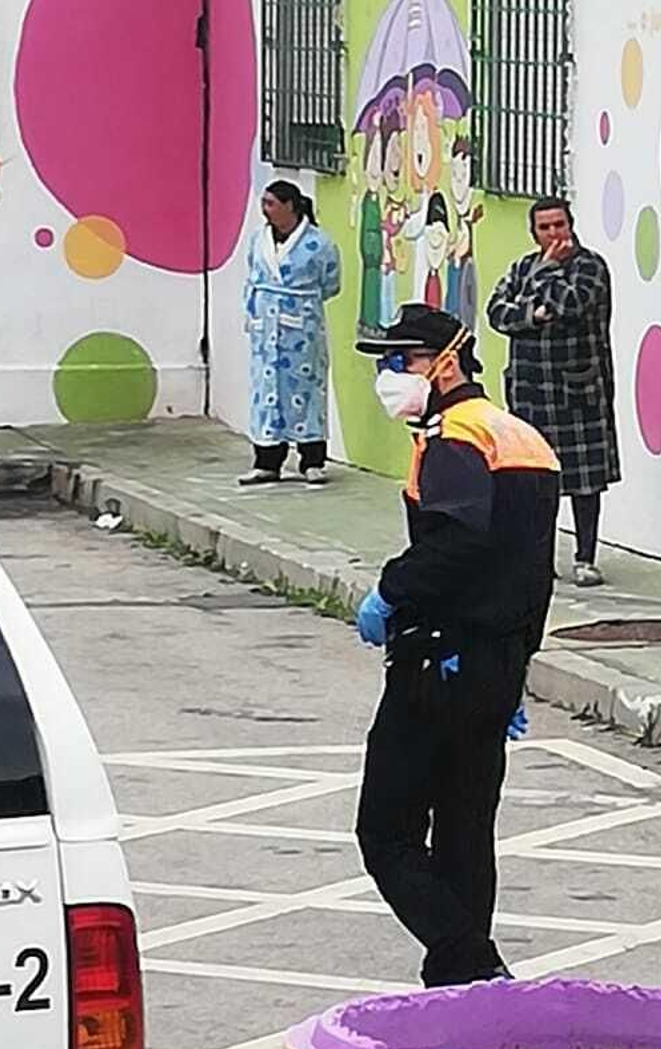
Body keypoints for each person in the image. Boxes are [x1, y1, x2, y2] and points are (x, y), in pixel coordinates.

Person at [353, 304, 560, 986]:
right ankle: (463, 987)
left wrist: (390, 591)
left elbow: (457, 542)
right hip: (495, 662)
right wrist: (516, 669)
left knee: (386, 832)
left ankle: (473, 964)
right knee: (465, 830)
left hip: (438, 660)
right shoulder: (522, 437)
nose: (389, 374)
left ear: (445, 364)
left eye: (402, 360)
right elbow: (534, 572)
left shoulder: (454, 437)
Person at [487, 198, 620, 588]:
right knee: (535, 481)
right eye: (544, 227)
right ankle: (539, 558)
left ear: (571, 225)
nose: (553, 233)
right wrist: (534, 314)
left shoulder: (590, 267)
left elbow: (572, 304)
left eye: (559, 224)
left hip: (578, 389)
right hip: (530, 390)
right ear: (534, 232)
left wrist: (547, 275)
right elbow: (497, 312)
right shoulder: (521, 267)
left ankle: (585, 557)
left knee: (585, 481)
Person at [241, 181, 342, 486]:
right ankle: (267, 462)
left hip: (302, 331)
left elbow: (331, 283)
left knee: (306, 392)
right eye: (264, 202)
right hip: (265, 330)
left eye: (271, 203)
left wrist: (300, 306)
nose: (265, 209)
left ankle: (312, 461)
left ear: (290, 206)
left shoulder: (319, 243)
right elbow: (253, 273)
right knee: (266, 392)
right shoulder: (258, 240)